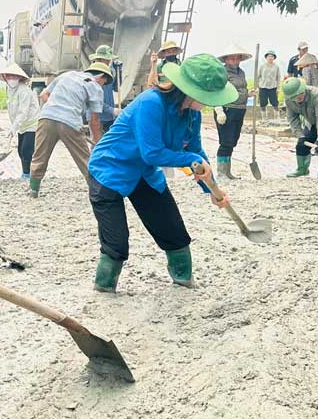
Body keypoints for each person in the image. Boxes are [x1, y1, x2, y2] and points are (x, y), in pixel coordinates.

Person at [87, 54, 233, 291]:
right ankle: (104, 288)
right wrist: (193, 159)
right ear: (190, 90)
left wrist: (212, 189)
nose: (210, 102)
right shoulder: (151, 103)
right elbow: (152, 153)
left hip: (144, 174)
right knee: (116, 243)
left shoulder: (192, 114)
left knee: (173, 230)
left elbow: (195, 150)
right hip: (110, 169)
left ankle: (184, 280)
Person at [29, 62, 112, 197]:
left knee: (39, 155)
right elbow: (94, 120)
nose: (103, 84)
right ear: (101, 76)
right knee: (84, 158)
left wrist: (56, 108)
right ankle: (98, 191)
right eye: (105, 82)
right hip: (70, 122)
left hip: (46, 117)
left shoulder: (67, 75)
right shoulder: (95, 86)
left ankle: (33, 190)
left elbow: (44, 95)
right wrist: (98, 143)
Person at [213, 44, 251, 179]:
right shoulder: (221, 73)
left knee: (233, 140)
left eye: (237, 59)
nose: (235, 61)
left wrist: (249, 93)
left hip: (240, 109)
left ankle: (228, 172)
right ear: (226, 60)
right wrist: (219, 110)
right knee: (226, 141)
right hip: (227, 109)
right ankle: (221, 172)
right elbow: (215, 92)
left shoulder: (241, 73)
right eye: (232, 59)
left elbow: (241, 89)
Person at [0, 62, 40, 179]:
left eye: (14, 76)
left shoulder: (24, 91)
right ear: (5, 77)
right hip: (21, 126)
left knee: (27, 150)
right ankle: (25, 172)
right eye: (9, 76)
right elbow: (12, 109)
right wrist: (14, 126)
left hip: (31, 124)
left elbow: (23, 112)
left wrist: (14, 127)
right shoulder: (10, 90)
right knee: (20, 151)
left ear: (20, 77)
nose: (12, 79)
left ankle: (29, 174)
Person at [91, 45, 120, 132]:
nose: (109, 62)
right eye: (107, 60)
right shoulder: (93, 75)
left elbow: (116, 88)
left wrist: (119, 71)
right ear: (99, 59)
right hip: (97, 116)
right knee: (97, 142)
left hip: (109, 116)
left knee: (109, 143)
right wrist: (112, 110)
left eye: (109, 60)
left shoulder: (109, 72)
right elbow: (95, 101)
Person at [257, 50, 281, 115]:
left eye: (272, 56)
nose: (270, 58)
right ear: (266, 57)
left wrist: (278, 88)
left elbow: (278, 78)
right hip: (263, 87)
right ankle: (264, 119)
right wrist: (257, 86)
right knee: (263, 103)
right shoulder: (262, 66)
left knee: (275, 103)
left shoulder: (276, 67)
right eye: (269, 56)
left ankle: (277, 118)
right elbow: (258, 76)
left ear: (274, 58)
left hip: (273, 87)